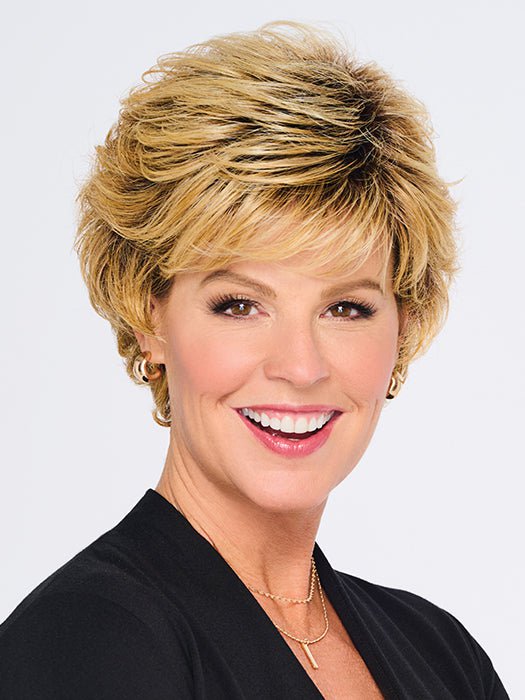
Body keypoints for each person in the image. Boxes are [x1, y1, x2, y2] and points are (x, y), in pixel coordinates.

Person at [0, 21, 509, 699]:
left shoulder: (441, 656)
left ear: (402, 328)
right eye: (240, 305)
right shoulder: (85, 641)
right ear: (149, 319)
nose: (300, 366)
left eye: (346, 308)